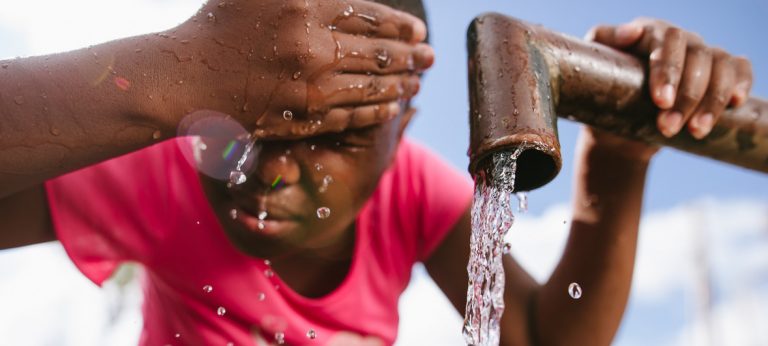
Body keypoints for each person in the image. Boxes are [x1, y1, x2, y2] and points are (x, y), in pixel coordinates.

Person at [0, 0, 753, 345]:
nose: (269, 172)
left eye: (332, 134)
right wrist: (175, 70)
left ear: (402, 131)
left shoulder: (411, 197)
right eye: (235, 118)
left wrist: (619, 160)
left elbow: (544, 337)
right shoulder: (160, 174)